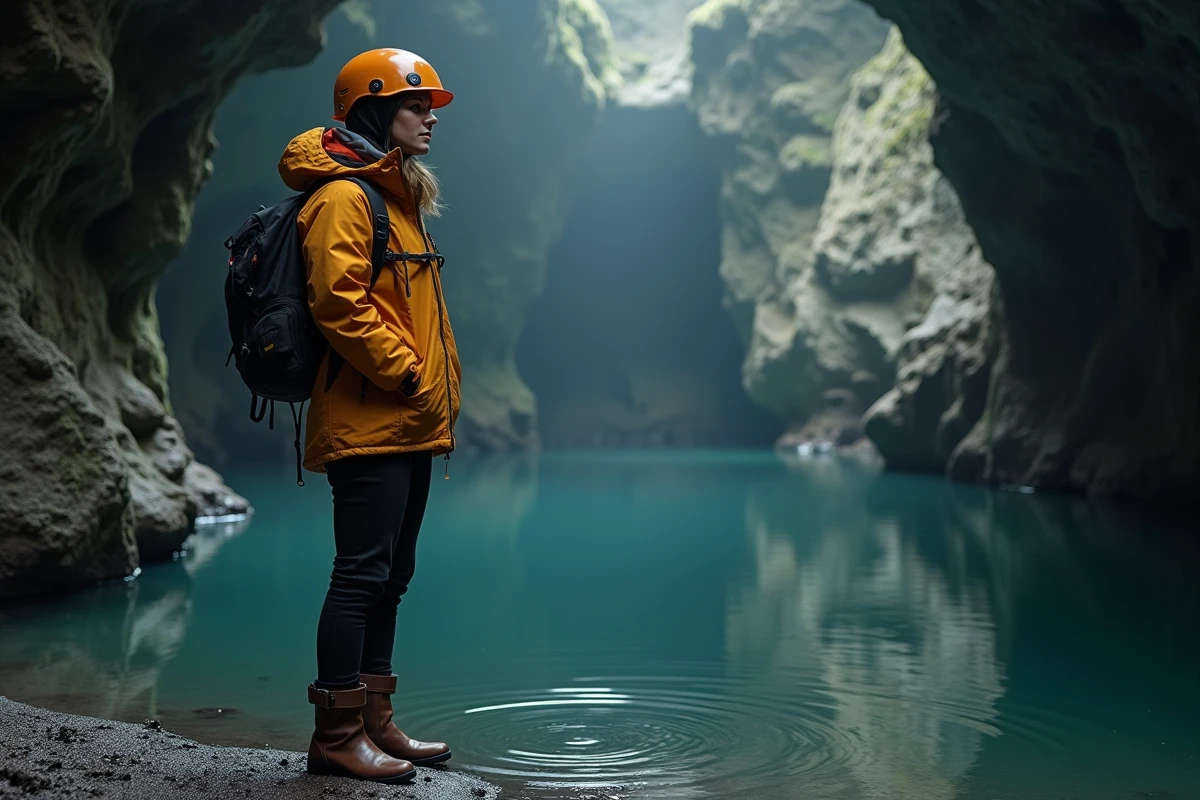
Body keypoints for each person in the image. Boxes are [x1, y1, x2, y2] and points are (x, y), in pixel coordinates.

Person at [276, 48, 462, 784]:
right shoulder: (343, 198)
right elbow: (338, 304)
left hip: (408, 421)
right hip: (369, 420)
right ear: (376, 111)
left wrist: (425, 392)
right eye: (419, 106)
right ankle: (337, 734)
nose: (430, 119)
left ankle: (377, 723)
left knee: (392, 575)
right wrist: (409, 371)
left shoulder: (397, 199)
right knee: (359, 575)